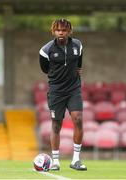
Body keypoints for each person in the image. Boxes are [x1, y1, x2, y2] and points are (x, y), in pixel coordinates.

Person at [39, 18, 87, 171]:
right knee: (56, 125)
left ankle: (76, 160)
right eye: (58, 30)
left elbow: (79, 64)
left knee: (78, 119)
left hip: (74, 89)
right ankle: (55, 161)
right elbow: (45, 69)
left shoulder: (78, 45)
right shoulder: (45, 50)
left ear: (69, 31)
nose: (61, 32)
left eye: (64, 30)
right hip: (56, 91)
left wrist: (76, 72)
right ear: (54, 31)